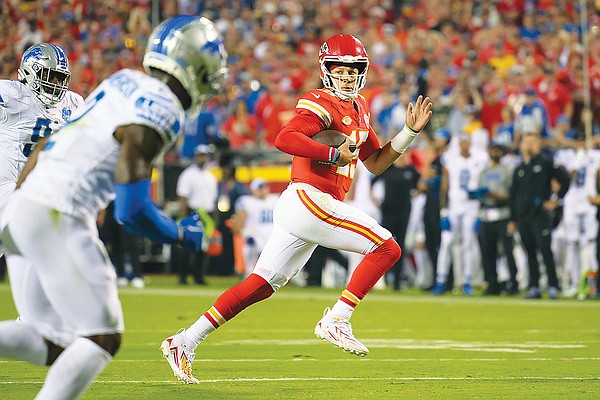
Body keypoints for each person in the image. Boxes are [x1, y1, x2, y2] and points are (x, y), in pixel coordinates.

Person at [160, 33, 432, 383]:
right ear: (326, 69)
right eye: (340, 68)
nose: (347, 75)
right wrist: (333, 153)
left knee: (262, 284)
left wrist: (409, 132)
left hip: (307, 205)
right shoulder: (320, 100)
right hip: (308, 198)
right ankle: (337, 319)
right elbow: (285, 138)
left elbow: (375, 163)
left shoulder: (359, 107)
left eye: (354, 69)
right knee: (387, 247)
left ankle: (184, 341)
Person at [0, 16, 227, 399]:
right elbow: (131, 211)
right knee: (101, 337)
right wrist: (179, 234)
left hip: (26, 203)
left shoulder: (121, 81)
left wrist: (22, 204)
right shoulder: (162, 109)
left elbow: (42, 148)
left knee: (50, 339)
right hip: (58, 212)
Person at [0, 44, 83, 286]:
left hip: (39, 192)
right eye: (51, 77)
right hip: (7, 187)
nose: (56, 84)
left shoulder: (74, 103)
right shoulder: (10, 94)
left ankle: (34, 321)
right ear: (30, 72)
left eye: (60, 78)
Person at [508, 133, 570, 299]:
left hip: (540, 216)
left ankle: (553, 286)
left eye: (532, 142)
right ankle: (534, 286)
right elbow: (513, 195)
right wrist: (513, 219)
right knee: (530, 252)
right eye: (526, 142)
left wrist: (555, 201)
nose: (528, 146)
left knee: (545, 250)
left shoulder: (545, 163)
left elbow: (565, 180)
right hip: (523, 217)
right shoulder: (519, 168)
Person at [432, 134, 489, 296]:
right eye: (462, 141)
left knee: (468, 243)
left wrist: (480, 210)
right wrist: (443, 211)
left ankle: (467, 281)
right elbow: (445, 186)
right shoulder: (450, 160)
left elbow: (482, 184)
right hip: (454, 206)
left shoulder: (479, 160)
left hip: (471, 206)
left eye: (467, 141)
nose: (464, 144)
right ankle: (441, 279)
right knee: (446, 242)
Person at [473, 141, 519, 296]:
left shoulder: (507, 171)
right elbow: (480, 194)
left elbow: (512, 195)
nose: (496, 152)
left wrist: (494, 196)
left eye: (499, 149)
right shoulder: (483, 173)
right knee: (487, 252)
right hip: (487, 214)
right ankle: (492, 283)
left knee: (507, 251)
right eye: (494, 149)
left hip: (503, 213)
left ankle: (513, 283)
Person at [371, 153, 420, 290]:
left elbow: (419, 184)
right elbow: (373, 182)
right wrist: (374, 200)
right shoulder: (388, 169)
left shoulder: (411, 171)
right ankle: (382, 278)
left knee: (400, 246)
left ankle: (398, 280)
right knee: (384, 245)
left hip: (404, 213)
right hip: (388, 212)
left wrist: (416, 193)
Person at [174, 143, 218, 285]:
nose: (202, 158)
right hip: (193, 213)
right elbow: (183, 196)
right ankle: (183, 276)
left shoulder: (210, 176)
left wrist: (214, 216)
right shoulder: (188, 174)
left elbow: (213, 198)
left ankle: (199, 276)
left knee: (203, 247)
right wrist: (184, 217)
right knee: (187, 245)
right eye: (200, 156)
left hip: (206, 214)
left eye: (204, 156)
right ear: (195, 157)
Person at [230, 178, 279, 278]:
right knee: (249, 242)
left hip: (272, 235)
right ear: (253, 190)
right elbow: (238, 225)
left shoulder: (275, 199)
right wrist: (243, 232)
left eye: (264, 187)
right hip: (255, 236)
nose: (262, 191)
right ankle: (248, 274)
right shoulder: (246, 202)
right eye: (259, 188)